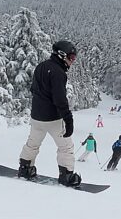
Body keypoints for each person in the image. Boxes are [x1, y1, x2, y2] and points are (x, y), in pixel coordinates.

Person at [18, 40, 81, 187]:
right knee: (66, 146)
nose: (72, 62)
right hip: (53, 119)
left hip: (36, 117)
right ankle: (66, 175)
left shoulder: (41, 67)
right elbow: (60, 99)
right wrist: (68, 119)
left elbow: (33, 89)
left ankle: (25, 168)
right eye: (71, 58)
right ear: (61, 55)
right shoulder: (58, 73)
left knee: (33, 143)